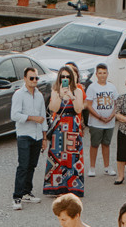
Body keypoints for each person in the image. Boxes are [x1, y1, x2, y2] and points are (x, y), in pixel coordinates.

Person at [42, 63, 86, 196]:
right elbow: (53, 109)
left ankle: (73, 187)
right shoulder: (55, 90)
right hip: (59, 128)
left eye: (68, 76)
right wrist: (60, 95)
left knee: (73, 156)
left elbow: (78, 109)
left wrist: (72, 96)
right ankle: (58, 187)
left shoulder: (77, 90)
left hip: (73, 126)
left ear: (72, 78)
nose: (65, 79)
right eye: (62, 76)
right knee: (58, 157)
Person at [10, 64, 47, 208]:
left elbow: (43, 116)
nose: (34, 80)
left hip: (37, 135)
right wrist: (32, 118)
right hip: (25, 134)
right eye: (31, 78)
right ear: (25, 79)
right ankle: (17, 197)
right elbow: (14, 115)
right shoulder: (19, 94)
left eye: (36, 78)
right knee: (23, 165)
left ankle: (27, 192)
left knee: (32, 165)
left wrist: (44, 137)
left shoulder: (39, 95)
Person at [85, 62, 119, 173]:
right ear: (96, 74)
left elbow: (117, 103)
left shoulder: (112, 87)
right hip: (96, 122)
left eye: (104, 73)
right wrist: (99, 117)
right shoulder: (92, 87)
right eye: (100, 73)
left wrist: (111, 115)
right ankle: (92, 167)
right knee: (94, 144)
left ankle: (107, 166)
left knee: (106, 144)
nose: (102, 75)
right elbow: (88, 105)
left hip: (109, 122)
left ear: (107, 74)